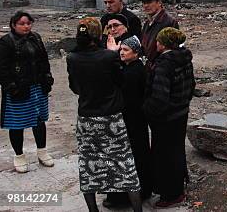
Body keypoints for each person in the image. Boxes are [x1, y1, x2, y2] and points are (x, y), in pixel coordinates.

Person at [67, 18, 142, 212]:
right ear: (97, 34)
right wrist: (113, 54)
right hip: (111, 118)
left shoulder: (72, 58)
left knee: (88, 163)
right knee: (124, 163)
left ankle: (93, 209)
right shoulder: (108, 57)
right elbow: (120, 81)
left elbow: (75, 88)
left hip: (86, 119)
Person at [143, 27, 194, 209]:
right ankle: (179, 186)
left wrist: (147, 110)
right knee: (177, 151)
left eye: (158, 41)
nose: (155, 43)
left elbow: (159, 98)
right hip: (181, 113)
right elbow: (191, 86)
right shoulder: (185, 58)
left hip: (166, 119)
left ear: (163, 44)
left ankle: (172, 194)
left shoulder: (165, 64)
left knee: (165, 156)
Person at [0, 11, 54, 173]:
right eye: (22, 24)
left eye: (28, 23)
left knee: (39, 120)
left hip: (37, 87)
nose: (26, 26)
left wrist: (48, 77)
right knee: (17, 124)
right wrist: (11, 87)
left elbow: (44, 59)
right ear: (13, 25)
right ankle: (19, 156)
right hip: (18, 89)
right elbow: (1, 69)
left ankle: (42, 152)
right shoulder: (6, 42)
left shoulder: (35, 38)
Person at [103, 36, 151, 209]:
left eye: (125, 50)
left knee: (133, 157)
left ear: (136, 53)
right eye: (121, 50)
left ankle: (130, 195)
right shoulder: (134, 67)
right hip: (136, 120)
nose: (122, 53)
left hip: (132, 121)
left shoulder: (133, 72)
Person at [140, 0, 179, 68]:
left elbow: (172, 52)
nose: (146, 5)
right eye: (144, 2)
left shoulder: (169, 22)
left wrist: (156, 66)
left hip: (161, 70)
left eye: (149, 2)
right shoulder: (147, 23)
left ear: (159, 2)